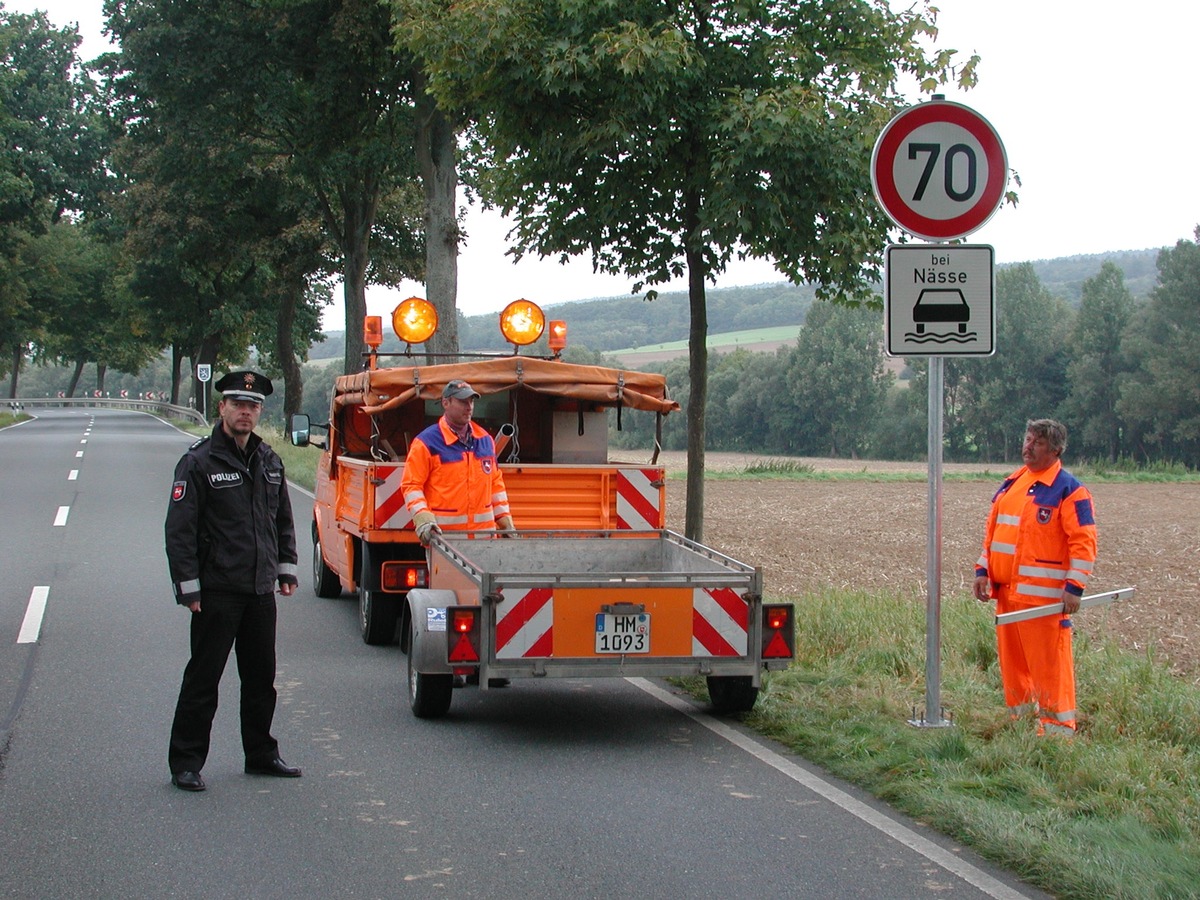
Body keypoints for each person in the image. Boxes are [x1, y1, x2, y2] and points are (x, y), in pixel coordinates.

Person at [164, 370, 301, 791]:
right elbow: (180, 530)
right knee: (204, 679)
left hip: (260, 590)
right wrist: (188, 588)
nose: (246, 412)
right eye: (238, 404)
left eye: (254, 405)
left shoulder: (269, 460)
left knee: (261, 679)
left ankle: (261, 754)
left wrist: (286, 569)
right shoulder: (198, 461)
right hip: (217, 591)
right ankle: (186, 762)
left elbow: (282, 520)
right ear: (221, 407)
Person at [972, 418, 1098, 737]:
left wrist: (1075, 588)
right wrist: (982, 570)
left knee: (1049, 672)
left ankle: (1057, 736)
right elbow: (995, 535)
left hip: (1044, 602)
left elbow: (1083, 542)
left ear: (1055, 450)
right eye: (1027, 439)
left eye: (1037, 442)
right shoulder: (1012, 483)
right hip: (1008, 596)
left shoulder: (1070, 490)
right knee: (1015, 671)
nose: (1028, 446)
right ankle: (1024, 729)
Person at [401, 379, 515, 545]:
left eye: (471, 401)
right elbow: (411, 486)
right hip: (445, 544)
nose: (469, 407)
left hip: (485, 543)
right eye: (462, 402)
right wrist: (423, 519)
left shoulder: (485, 439)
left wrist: (504, 521)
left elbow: (495, 485)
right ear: (445, 403)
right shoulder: (427, 443)